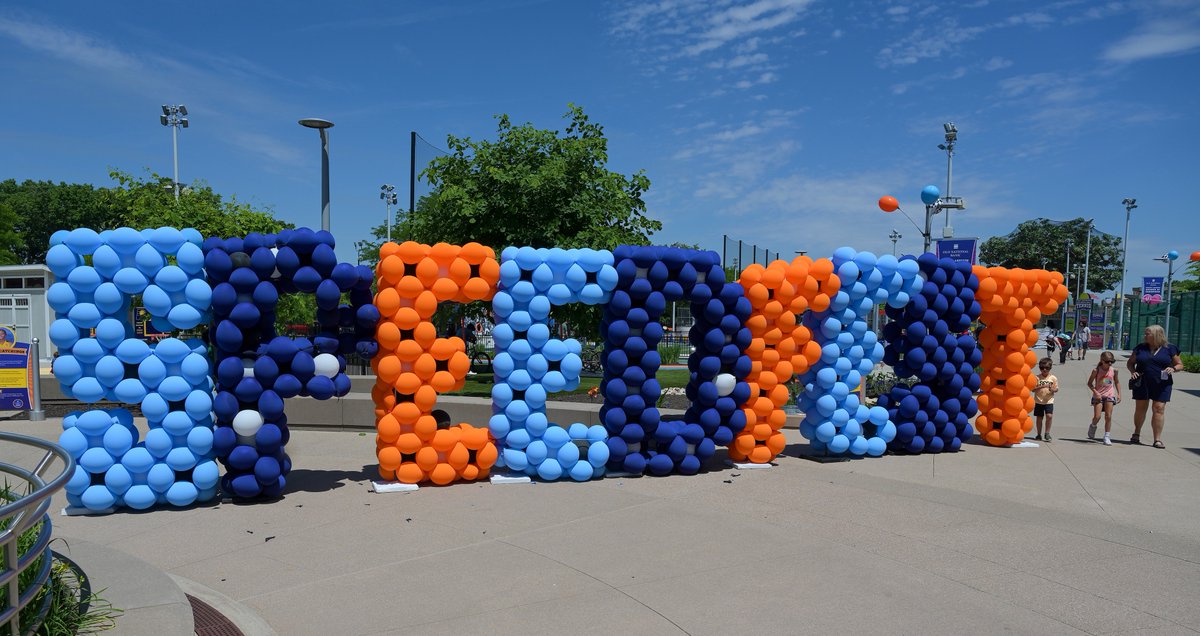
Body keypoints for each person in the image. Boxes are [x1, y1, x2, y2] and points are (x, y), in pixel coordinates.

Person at [1126, 325, 1184, 448]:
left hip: (1162, 383)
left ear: (1157, 335)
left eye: (1148, 334)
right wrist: (1133, 371)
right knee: (1140, 408)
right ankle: (1136, 433)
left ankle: (1157, 439)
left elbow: (1180, 365)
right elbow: (1130, 362)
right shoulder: (1140, 348)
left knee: (1159, 409)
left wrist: (1173, 368)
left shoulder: (1170, 348)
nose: (1145, 336)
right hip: (1142, 382)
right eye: (1145, 333)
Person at [1086, 351, 1121, 446]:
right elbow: (1089, 383)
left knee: (1108, 416)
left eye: (1111, 362)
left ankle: (1106, 436)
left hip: (1109, 394)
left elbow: (1117, 382)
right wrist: (1096, 392)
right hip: (1099, 395)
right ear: (1102, 361)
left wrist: (1119, 394)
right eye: (1107, 361)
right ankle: (1093, 426)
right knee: (1097, 416)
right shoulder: (1096, 370)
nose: (1109, 363)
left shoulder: (1114, 370)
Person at [1033, 357, 1058, 442]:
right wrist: (1041, 386)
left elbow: (1056, 389)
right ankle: (1039, 434)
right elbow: (1032, 389)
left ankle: (1047, 433)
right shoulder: (1036, 378)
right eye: (1042, 368)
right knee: (1039, 418)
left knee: (1049, 416)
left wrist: (1052, 389)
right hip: (1038, 400)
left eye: (1047, 368)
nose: (1044, 370)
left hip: (1049, 400)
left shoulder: (1053, 378)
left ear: (1050, 368)